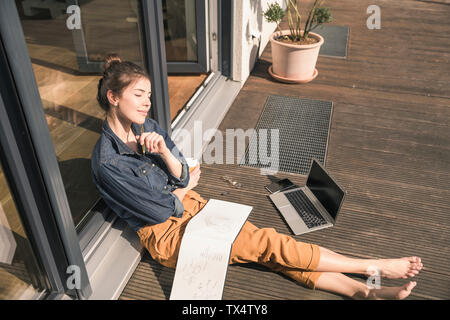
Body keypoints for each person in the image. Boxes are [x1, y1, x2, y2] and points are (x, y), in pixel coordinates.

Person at [91, 54, 423, 300]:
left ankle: (361, 292)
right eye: (139, 95)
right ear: (114, 97)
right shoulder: (107, 163)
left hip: (193, 205)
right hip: (166, 237)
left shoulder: (146, 127)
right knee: (268, 244)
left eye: (149, 94)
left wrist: (165, 153)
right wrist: (185, 185)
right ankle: (371, 267)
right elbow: (162, 211)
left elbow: (181, 171)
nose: (148, 103)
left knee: (268, 250)